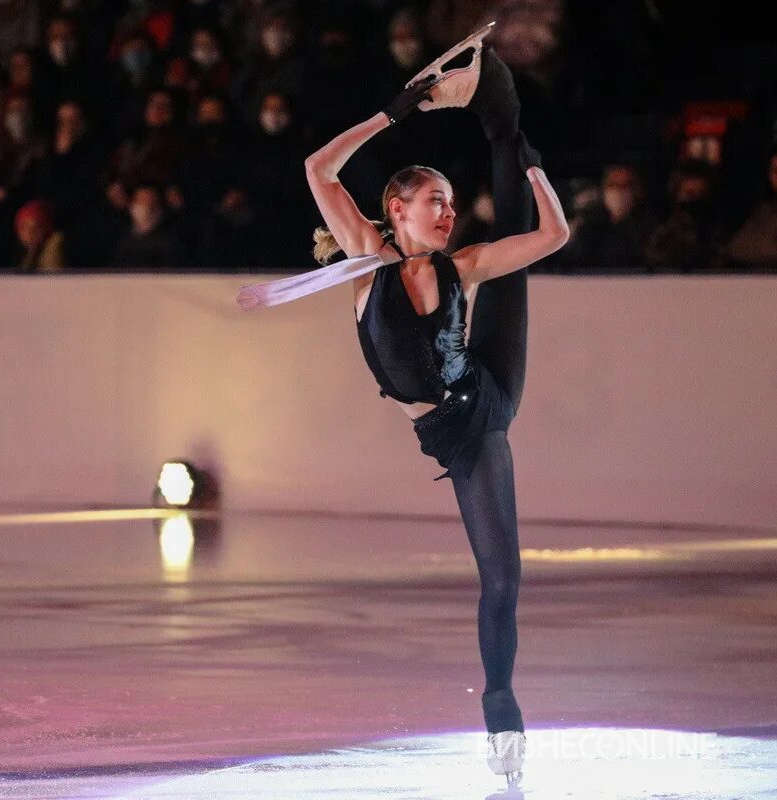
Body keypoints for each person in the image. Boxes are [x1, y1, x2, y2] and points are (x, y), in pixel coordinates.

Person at [256, 32, 568, 786]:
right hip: (452, 433)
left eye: (452, 204)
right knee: (499, 579)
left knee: (504, 579)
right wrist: (390, 115)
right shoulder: (365, 261)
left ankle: (501, 709)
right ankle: (494, 102)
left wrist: (529, 161)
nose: (449, 213)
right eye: (435, 201)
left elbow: (554, 235)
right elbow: (318, 169)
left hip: (486, 405)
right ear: (395, 210)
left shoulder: (465, 264)